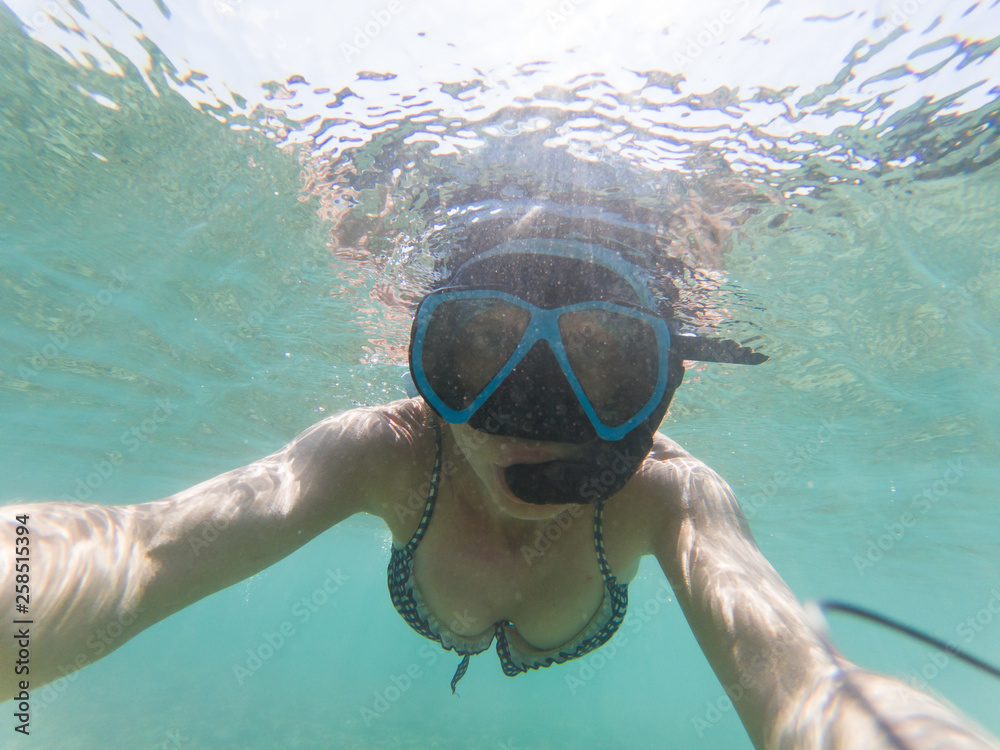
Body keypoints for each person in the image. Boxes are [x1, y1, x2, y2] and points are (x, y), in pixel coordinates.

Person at [1, 206, 997, 750]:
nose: (527, 414)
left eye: (605, 367)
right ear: (422, 365)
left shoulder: (670, 493)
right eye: (477, 352)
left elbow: (801, 686)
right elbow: (140, 551)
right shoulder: (386, 449)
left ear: (663, 391)